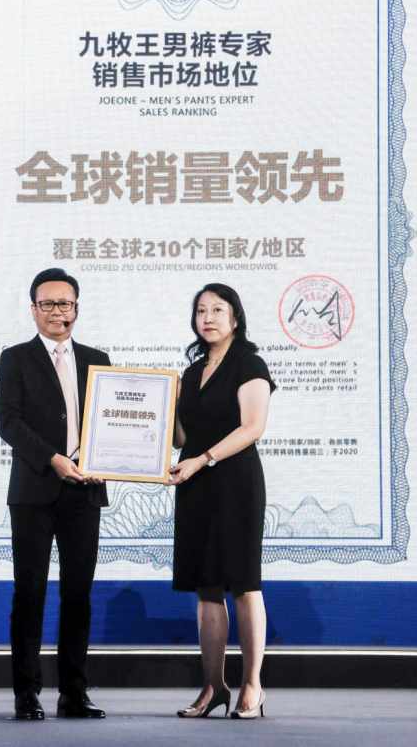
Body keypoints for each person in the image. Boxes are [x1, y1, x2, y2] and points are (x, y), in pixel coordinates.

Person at [0, 268, 110, 721]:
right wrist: (53, 458)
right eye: (48, 303)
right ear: (33, 309)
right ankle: (26, 692)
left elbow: (111, 423)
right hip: (34, 491)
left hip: (85, 492)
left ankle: (73, 693)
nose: (57, 311)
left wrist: (107, 461)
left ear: (76, 308)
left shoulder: (98, 359)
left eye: (65, 303)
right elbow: (8, 421)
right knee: (30, 593)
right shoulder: (15, 359)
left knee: (78, 594)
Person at [168, 283, 275, 720]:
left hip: (235, 482)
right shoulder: (192, 371)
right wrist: (169, 404)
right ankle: (213, 686)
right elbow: (181, 439)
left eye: (217, 309)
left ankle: (252, 686)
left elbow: (253, 427)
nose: (208, 318)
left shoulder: (249, 363)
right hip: (196, 485)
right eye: (200, 310)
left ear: (235, 317)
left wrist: (203, 459)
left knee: (243, 584)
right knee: (207, 587)